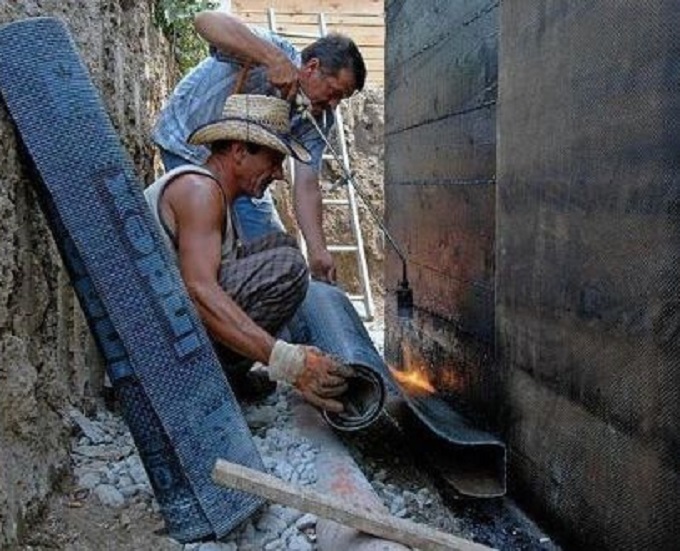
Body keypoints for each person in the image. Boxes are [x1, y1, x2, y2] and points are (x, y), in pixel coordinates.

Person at [145, 94, 353, 412]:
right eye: (273, 160)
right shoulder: (200, 192)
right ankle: (208, 384)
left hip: (167, 327)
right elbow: (199, 291)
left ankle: (230, 375)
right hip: (157, 345)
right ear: (240, 152)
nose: (279, 174)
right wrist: (290, 363)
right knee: (288, 266)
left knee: (282, 246)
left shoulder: (212, 194)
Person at [152, 9, 367, 284]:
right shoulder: (272, 50)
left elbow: (307, 184)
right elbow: (205, 20)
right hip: (187, 145)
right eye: (335, 92)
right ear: (311, 68)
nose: (335, 104)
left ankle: (243, 305)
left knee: (274, 250)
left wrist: (317, 250)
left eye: (342, 99)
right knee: (209, 241)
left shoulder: (318, 117)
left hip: (245, 169)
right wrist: (272, 59)